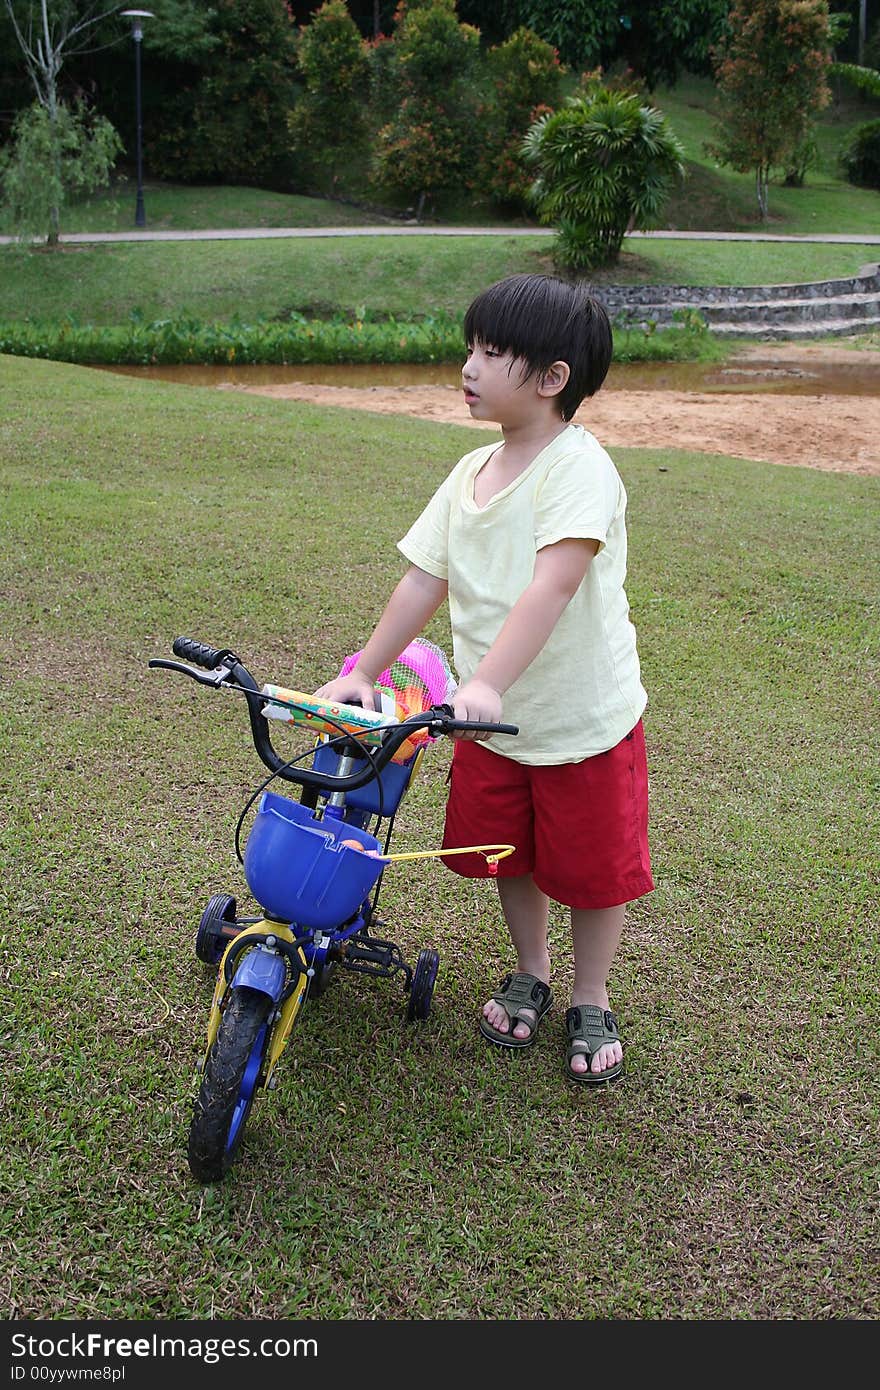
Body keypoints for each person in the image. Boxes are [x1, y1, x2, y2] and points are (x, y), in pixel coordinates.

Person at [315, 272, 653, 1084]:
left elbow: (553, 586)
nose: (468, 366)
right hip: (487, 723)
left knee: (589, 867)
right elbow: (424, 579)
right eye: (470, 347)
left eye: (492, 352)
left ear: (551, 377)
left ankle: (591, 994)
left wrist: (489, 682)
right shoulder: (471, 470)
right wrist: (362, 673)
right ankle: (531, 971)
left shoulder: (579, 467)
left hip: (579, 720)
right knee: (515, 857)